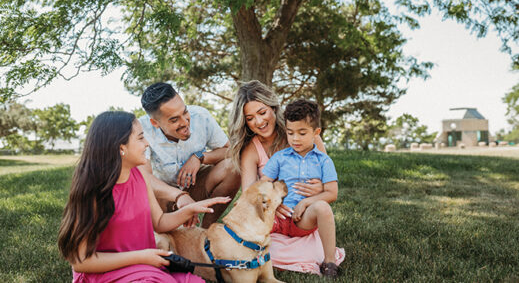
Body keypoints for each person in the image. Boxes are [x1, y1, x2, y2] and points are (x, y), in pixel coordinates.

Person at [58, 111, 231, 282]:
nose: (147, 144)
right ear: (121, 148)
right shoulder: (93, 193)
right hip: (105, 273)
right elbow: (80, 262)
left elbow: (160, 222)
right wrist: (142, 257)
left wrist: (189, 210)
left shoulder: (140, 177)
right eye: (141, 138)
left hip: (143, 266)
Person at [228, 80, 344, 275]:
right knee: (246, 240)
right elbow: (250, 195)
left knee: (321, 212)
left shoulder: (308, 135)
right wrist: (270, 202)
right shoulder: (253, 150)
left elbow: (328, 187)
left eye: (262, 112)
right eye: (250, 118)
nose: (258, 121)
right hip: (274, 219)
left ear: (273, 108)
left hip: (303, 216)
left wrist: (317, 192)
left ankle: (327, 261)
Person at [138, 82, 240, 228]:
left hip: (195, 186)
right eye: (174, 119)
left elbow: (230, 151)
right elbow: (145, 178)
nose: (185, 122)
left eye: (185, 112)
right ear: (155, 123)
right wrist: (179, 196)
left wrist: (200, 157)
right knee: (150, 197)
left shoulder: (201, 116)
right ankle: (167, 230)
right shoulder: (142, 130)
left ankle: (206, 229)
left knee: (233, 166)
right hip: (162, 196)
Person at [260, 99, 339, 278]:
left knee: (323, 208)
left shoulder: (324, 161)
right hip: (278, 216)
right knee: (254, 212)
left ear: (315, 132)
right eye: (290, 133)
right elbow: (264, 182)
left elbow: (332, 193)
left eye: (302, 133)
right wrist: (273, 201)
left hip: (302, 221)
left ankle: (330, 262)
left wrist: (305, 202)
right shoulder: (280, 157)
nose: (295, 138)